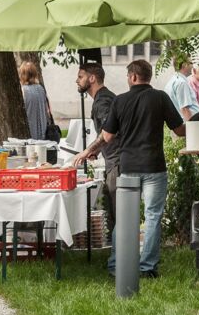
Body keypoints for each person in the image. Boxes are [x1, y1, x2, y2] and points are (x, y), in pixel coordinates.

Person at [102, 60, 186, 278]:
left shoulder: (120, 101)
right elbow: (179, 130)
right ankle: (147, 267)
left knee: (125, 218)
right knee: (153, 217)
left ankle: (115, 265)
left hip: (128, 167)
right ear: (148, 76)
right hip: (154, 166)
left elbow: (108, 136)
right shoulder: (160, 98)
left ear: (132, 77)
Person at [72, 63, 121, 238]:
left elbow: (109, 131)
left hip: (117, 162)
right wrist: (97, 151)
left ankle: (120, 258)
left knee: (118, 213)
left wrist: (87, 151)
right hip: (115, 159)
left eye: (80, 77)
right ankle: (119, 255)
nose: (77, 81)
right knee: (116, 211)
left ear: (92, 78)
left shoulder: (102, 101)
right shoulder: (105, 97)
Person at [19, 62, 49, 141]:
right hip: (43, 131)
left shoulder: (23, 90)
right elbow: (46, 110)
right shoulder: (40, 88)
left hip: (29, 132)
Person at [164, 57, 199, 121]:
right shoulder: (181, 83)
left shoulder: (172, 81)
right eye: (191, 63)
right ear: (184, 65)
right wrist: (191, 129)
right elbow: (185, 109)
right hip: (188, 126)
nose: (193, 66)